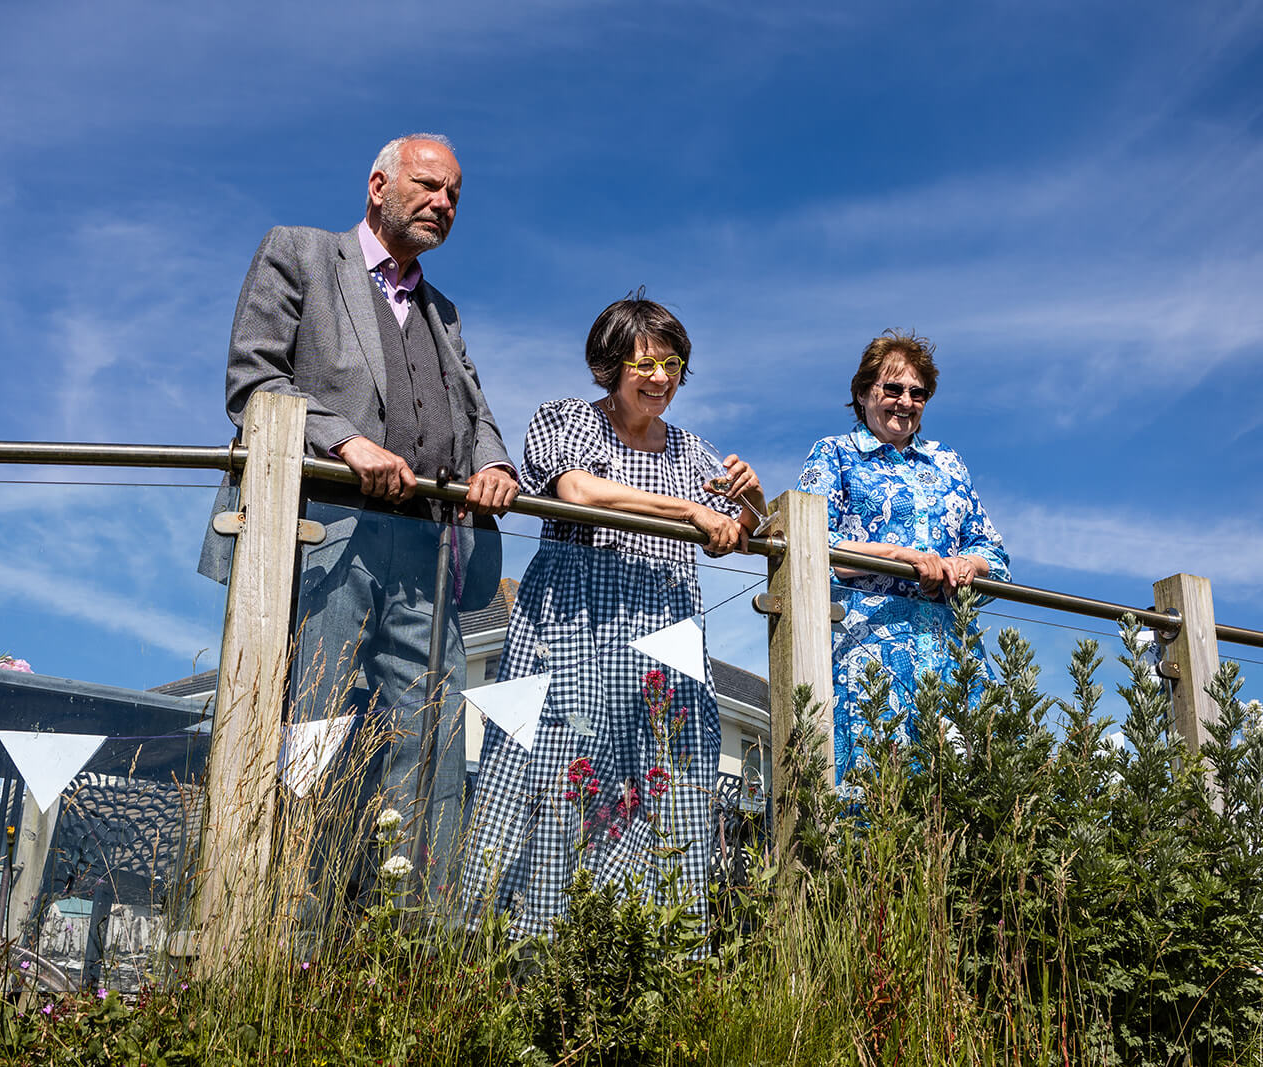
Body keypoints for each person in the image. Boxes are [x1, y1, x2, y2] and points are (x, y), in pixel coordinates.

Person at [198, 133, 519, 902]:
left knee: (430, 737)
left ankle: (411, 944)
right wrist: (344, 440)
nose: (444, 203)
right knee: (309, 725)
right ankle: (280, 920)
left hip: (424, 551)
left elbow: (475, 411)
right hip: (321, 539)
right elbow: (255, 381)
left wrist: (497, 463)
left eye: (454, 195)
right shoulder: (300, 254)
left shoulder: (443, 310)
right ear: (378, 184)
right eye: (429, 185)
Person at [463, 293, 764, 935]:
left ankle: (658, 947)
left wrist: (751, 499)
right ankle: (523, 946)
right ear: (610, 364)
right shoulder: (565, 418)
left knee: (671, 771)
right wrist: (688, 511)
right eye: (644, 363)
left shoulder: (695, 451)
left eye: (672, 363)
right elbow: (576, 489)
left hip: (667, 633)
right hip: (572, 620)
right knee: (552, 762)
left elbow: (746, 528)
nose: (660, 378)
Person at [797, 330, 1010, 783]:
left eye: (918, 393)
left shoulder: (948, 462)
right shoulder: (833, 454)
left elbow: (996, 554)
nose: (905, 401)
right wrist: (900, 556)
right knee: (872, 798)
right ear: (862, 392)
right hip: (867, 659)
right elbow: (813, 545)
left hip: (953, 660)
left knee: (960, 803)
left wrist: (966, 565)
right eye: (892, 389)